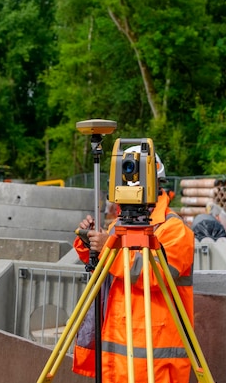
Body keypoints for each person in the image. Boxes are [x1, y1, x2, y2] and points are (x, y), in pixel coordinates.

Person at [72, 147, 195, 383]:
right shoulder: (117, 227)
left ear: (157, 183)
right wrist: (91, 244)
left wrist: (109, 247)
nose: (132, 187)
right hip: (116, 356)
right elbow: (104, 267)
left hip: (154, 360)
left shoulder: (174, 230)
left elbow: (153, 274)